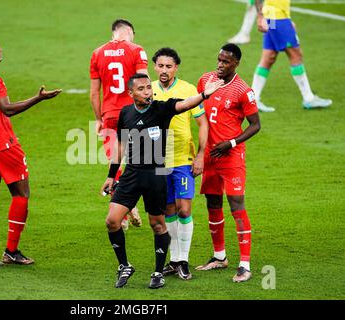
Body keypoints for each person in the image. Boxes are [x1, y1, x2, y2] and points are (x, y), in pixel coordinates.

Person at [101, 73, 223, 289]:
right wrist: (112, 175)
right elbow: (120, 144)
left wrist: (204, 95)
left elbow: (185, 104)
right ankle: (124, 266)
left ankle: (158, 272)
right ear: (131, 93)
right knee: (112, 221)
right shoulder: (126, 112)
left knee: (157, 225)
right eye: (141, 89)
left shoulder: (160, 109)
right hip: (131, 174)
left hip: (156, 175)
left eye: (149, 87)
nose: (147, 92)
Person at [0, 33, 61, 269]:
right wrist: (38, 99)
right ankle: (11, 251)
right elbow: (7, 109)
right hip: (0, 143)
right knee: (21, 193)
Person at [195, 44, 260, 283]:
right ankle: (219, 256)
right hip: (210, 156)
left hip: (230, 156)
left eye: (226, 62)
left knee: (236, 205)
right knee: (212, 202)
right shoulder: (206, 80)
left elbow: (255, 125)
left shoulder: (243, 91)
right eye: (219, 60)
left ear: (236, 64)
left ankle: (245, 264)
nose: (220, 65)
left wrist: (231, 143)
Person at [151, 48, 208, 281]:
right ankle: (174, 261)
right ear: (155, 66)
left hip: (183, 158)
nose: (164, 70)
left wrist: (201, 155)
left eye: (169, 66)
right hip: (157, 160)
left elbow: (203, 123)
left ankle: (183, 260)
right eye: (161, 66)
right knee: (168, 211)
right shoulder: (149, 90)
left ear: (176, 68)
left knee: (184, 208)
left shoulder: (188, 90)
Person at [90, 19, 147, 231]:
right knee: (139, 161)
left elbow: (95, 92)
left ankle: (121, 213)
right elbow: (143, 83)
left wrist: (98, 118)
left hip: (110, 115)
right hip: (133, 113)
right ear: (129, 32)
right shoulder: (136, 50)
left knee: (115, 163)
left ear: (114, 33)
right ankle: (129, 205)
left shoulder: (97, 53)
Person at [252, 0, 332, 112]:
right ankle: (309, 98)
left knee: (269, 56)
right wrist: (260, 16)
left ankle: (252, 100)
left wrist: (287, 19)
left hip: (274, 16)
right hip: (276, 17)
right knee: (296, 55)